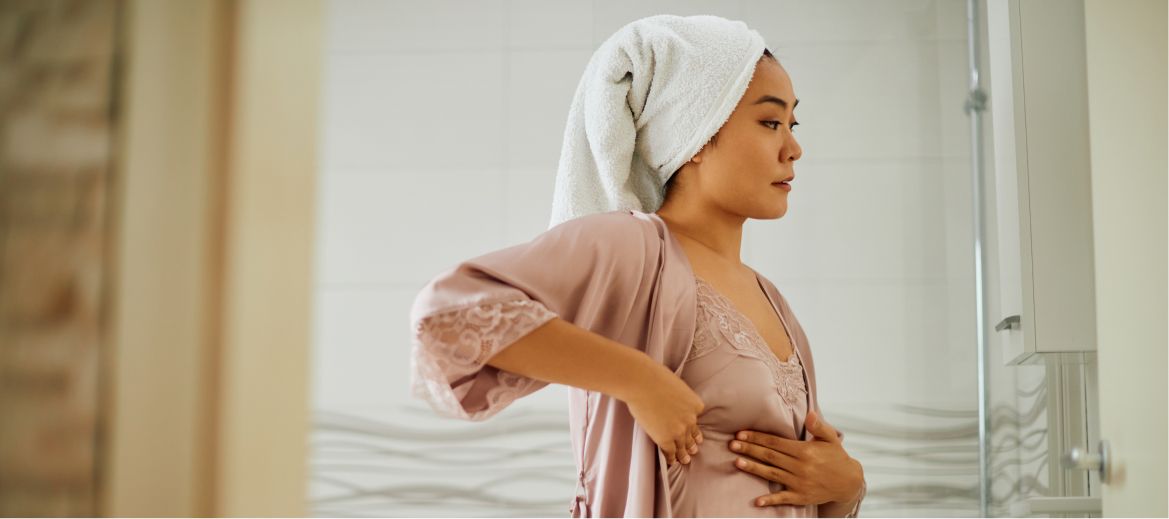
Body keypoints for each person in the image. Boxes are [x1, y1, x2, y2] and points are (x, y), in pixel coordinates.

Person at [410, 14, 866, 517]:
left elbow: (796, 493)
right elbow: (446, 318)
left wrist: (844, 490)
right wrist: (637, 379)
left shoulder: (773, 301)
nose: (794, 148)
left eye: (792, 124)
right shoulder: (633, 246)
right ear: (696, 132)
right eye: (770, 122)